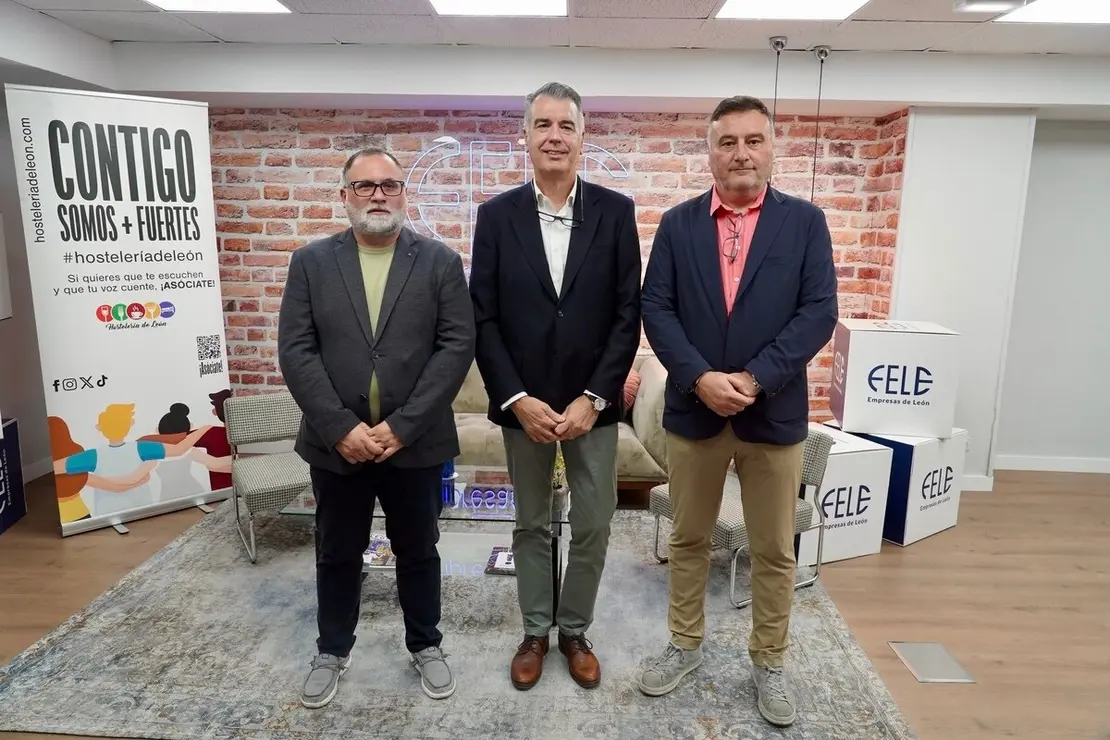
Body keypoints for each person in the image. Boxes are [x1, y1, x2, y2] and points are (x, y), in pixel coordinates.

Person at [636, 95, 838, 727]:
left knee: (775, 549)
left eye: (754, 139)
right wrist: (700, 379)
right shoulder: (677, 224)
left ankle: (769, 662)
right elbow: (657, 310)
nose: (742, 152)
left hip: (772, 417)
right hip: (696, 416)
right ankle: (685, 645)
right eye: (728, 141)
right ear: (711, 151)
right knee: (689, 538)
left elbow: (818, 313)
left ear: (772, 147)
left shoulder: (804, 223)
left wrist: (753, 379)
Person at [277, 147, 475, 708]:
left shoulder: (438, 261)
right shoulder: (311, 262)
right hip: (336, 444)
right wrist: (340, 427)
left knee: (420, 548)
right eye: (364, 187)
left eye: (389, 185)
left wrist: (404, 426)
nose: (378, 195)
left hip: (415, 442)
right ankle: (331, 649)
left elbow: (456, 346)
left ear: (404, 195)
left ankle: (426, 644)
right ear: (345, 197)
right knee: (337, 550)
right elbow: (296, 349)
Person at [469, 82, 642, 691]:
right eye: (542, 124)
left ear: (581, 135)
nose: (554, 135)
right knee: (532, 524)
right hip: (526, 406)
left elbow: (628, 314)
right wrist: (516, 397)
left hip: (591, 405)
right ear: (525, 136)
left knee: (594, 521)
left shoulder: (618, 214)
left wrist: (594, 397)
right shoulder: (494, 218)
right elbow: (481, 317)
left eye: (565, 125)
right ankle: (535, 631)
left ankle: (574, 630)